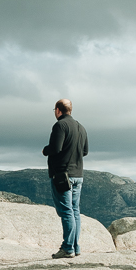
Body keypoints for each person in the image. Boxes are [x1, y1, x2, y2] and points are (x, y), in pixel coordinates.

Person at [42, 98, 88, 259]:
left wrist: (45, 150)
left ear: (58, 110)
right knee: (75, 210)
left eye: (54, 109)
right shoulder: (81, 127)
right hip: (78, 175)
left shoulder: (60, 125)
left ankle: (68, 248)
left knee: (66, 211)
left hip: (62, 175)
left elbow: (55, 148)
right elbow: (85, 151)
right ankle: (75, 246)